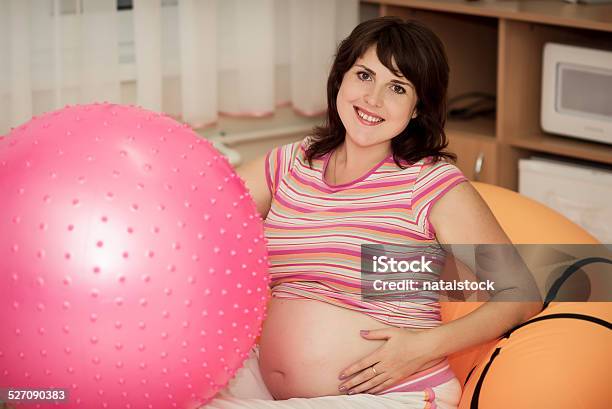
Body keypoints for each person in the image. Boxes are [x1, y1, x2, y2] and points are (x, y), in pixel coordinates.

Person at [204, 16, 541, 409]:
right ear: (341, 79)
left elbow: (521, 295)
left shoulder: (429, 183)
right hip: (272, 386)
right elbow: (204, 213)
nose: (373, 99)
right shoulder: (290, 163)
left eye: (397, 87)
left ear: (418, 108)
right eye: (364, 75)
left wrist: (421, 347)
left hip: (392, 394)